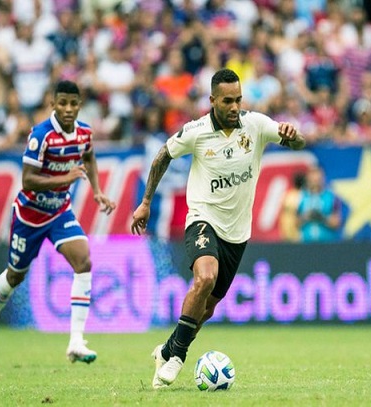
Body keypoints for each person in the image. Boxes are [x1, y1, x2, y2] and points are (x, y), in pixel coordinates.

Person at [131, 68, 306, 389]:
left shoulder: (255, 126)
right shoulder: (196, 132)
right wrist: (145, 202)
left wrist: (294, 137)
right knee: (205, 276)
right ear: (212, 101)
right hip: (203, 219)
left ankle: (167, 350)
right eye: (227, 101)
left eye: (238, 99)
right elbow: (161, 157)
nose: (235, 106)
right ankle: (177, 358)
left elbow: (300, 143)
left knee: (207, 308)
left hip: (237, 233)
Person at [0, 80, 116, 363]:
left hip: (60, 212)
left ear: (79, 105)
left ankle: (76, 340)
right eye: (62, 103)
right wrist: (65, 178)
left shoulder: (84, 133)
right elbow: (27, 179)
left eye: (73, 104)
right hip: (30, 216)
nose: (68, 109)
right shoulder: (41, 135)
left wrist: (98, 192)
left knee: (84, 262)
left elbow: (88, 157)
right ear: (53, 104)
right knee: (15, 276)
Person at [297, 165, 341, 242]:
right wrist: (306, 217)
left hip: (327, 244)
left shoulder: (331, 196)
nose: (315, 179)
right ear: (308, 177)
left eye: (318, 175)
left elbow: (337, 223)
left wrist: (322, 218)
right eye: (313, 175)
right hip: (305, 244)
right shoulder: (300, 196)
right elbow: (294, 223)